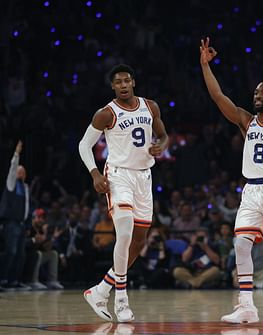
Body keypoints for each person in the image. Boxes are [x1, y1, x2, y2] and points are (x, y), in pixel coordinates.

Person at [200, 38, 263, 325]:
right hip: (251, 188)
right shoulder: (246, 121)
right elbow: (218, 96)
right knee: (241, 244)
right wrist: (205, 65)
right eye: (256, 91)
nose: (257, 94)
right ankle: (247, 307)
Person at [78, 64, 169, 322]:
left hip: (144, 176)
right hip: (118, 175)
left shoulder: (150, 106)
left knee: (139, 241)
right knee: (126, 232)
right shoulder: (106, 114)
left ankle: (100, 290)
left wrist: (160, 146)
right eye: (118, 82)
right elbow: (84, 144)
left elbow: (163, 136)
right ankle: (120, 299)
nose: (123, 85)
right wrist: (95, 174)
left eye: (127, 80)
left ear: (133, 82)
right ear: (113, 86)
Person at [0, 140, 30, 290]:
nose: (21, 173)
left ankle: (15, 281)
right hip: (11, 223)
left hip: (21, 224)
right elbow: (12, 168)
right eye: (19, 171)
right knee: (10, 252)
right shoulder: (12, 184)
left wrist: (27, 223)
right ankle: (4, 280)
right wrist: (17, 153)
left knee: (20, 254)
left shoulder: (25, 187)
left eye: (23, 171)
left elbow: (26, 208)